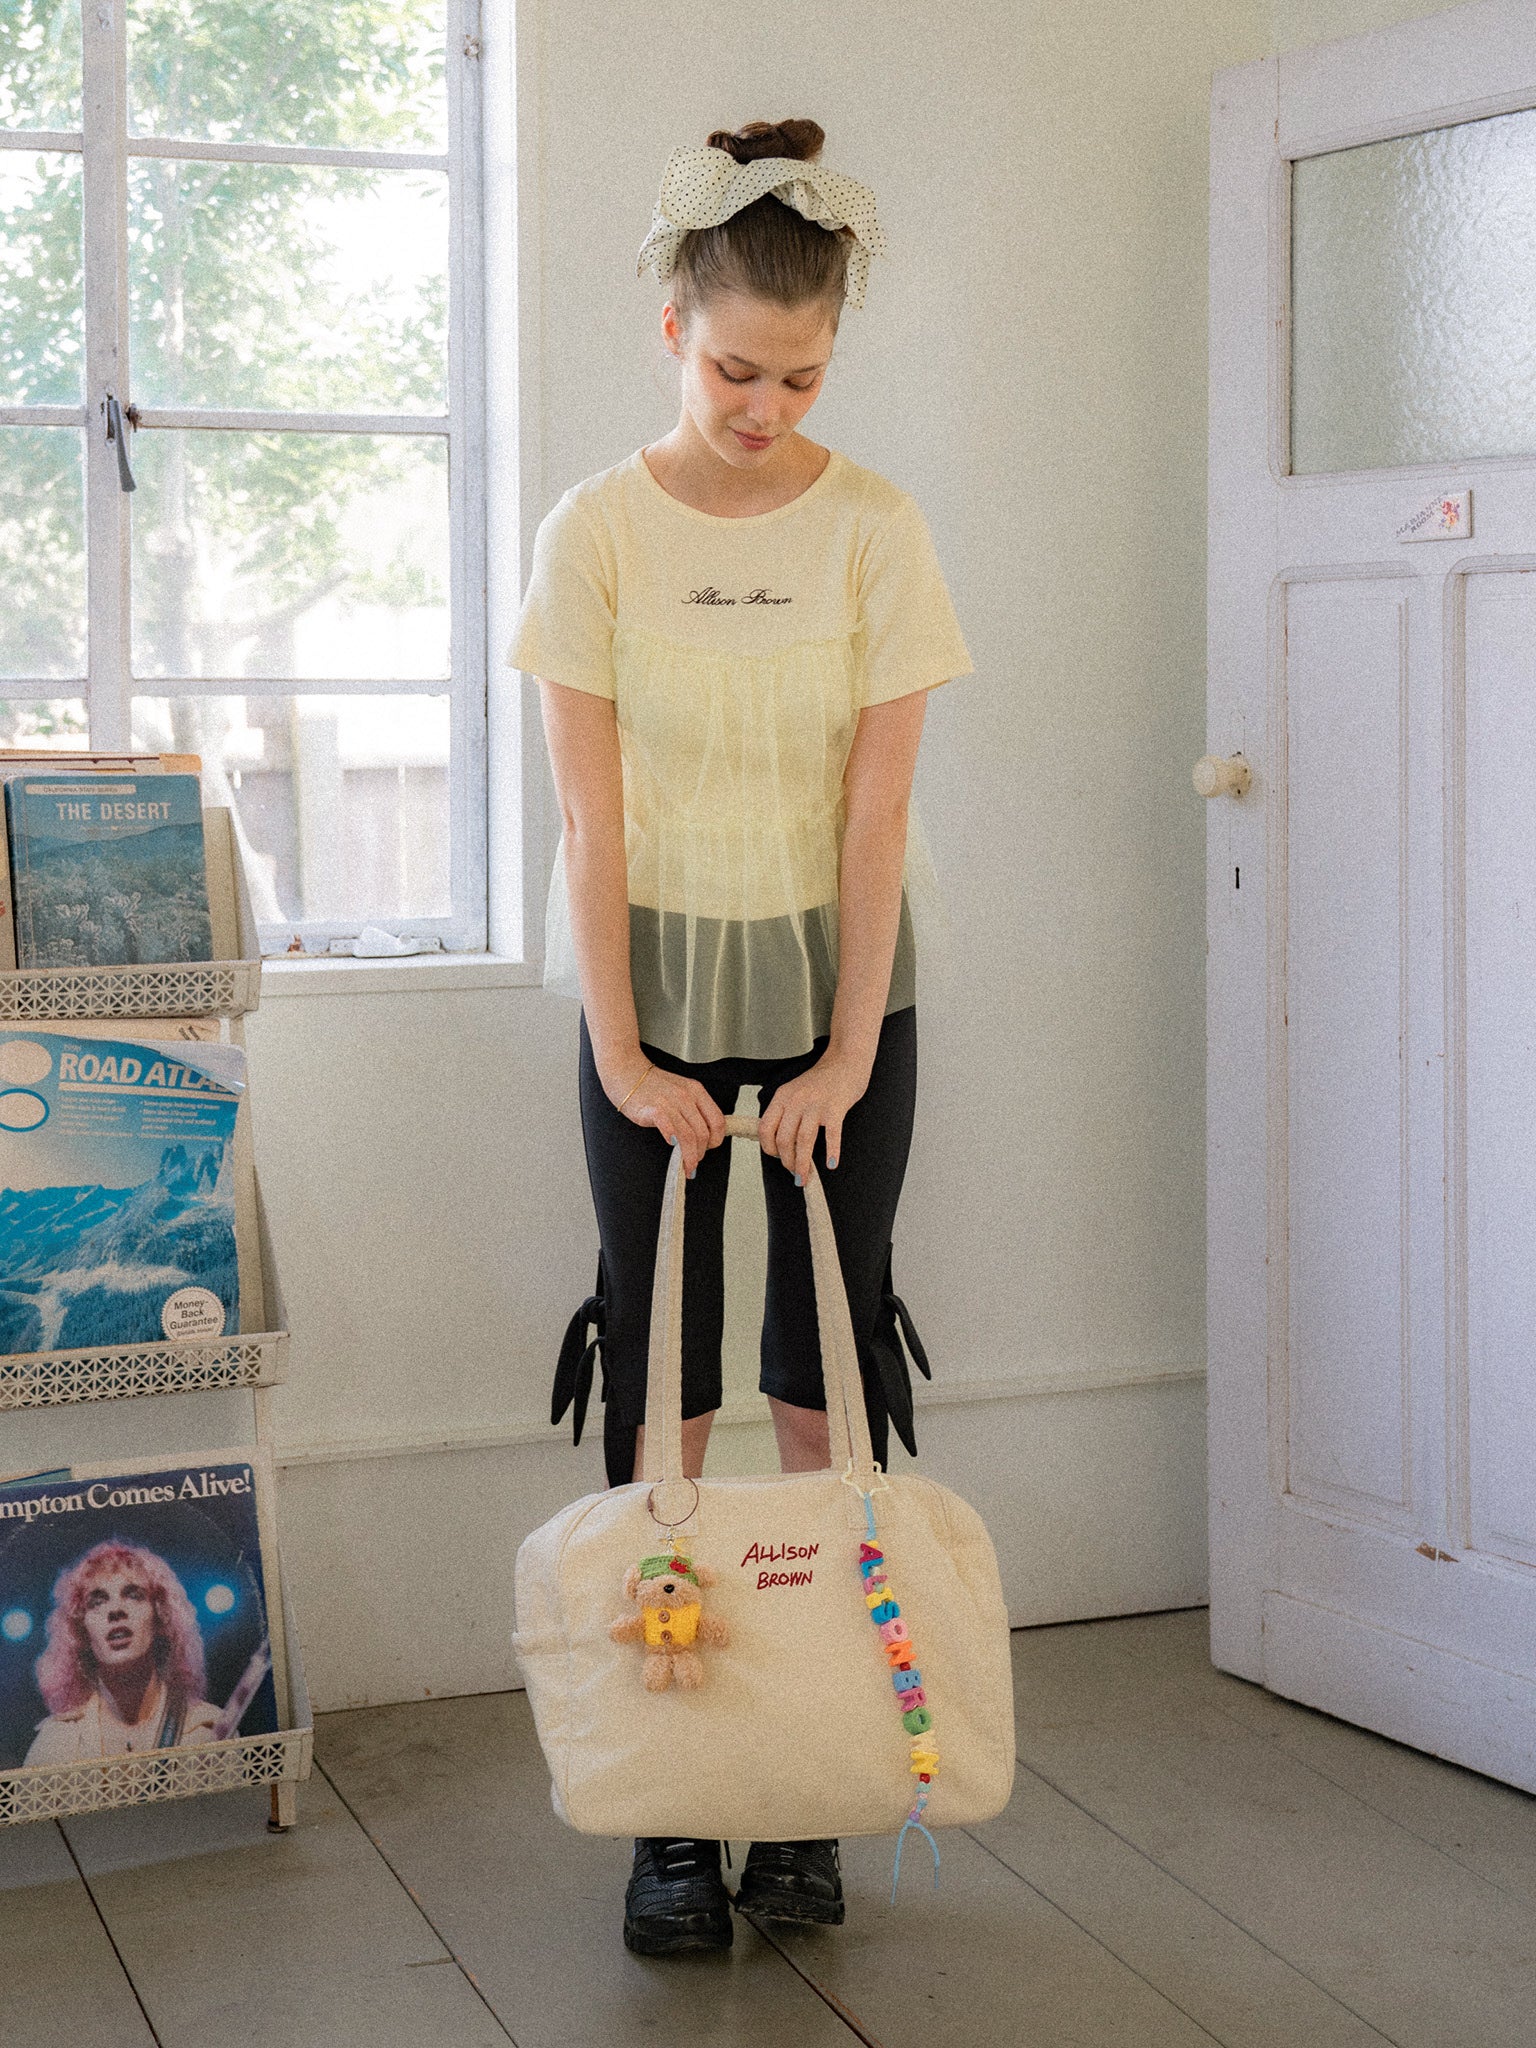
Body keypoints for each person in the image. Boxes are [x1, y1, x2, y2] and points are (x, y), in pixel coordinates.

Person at [508, 116, 974, 1955]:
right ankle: (672, 1798)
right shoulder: (596, 532)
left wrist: (848, 1053)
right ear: (671, 334)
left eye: (801, 378)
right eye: (733, 372)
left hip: (845, 989)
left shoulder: (876, 528)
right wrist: (626, 1057)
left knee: (817, 1370)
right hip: (654, 992)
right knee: (661, 1374)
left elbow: (877, 812)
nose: (765, 408)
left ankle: (812, 1787)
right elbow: (589, 820)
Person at [24, 1539, 220, 1765]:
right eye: (97, 1601)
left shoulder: (207, 1731)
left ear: (160, 1617)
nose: (115, 1610)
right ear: (81, 1631)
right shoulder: (55, 1744)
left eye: (134, 1595)